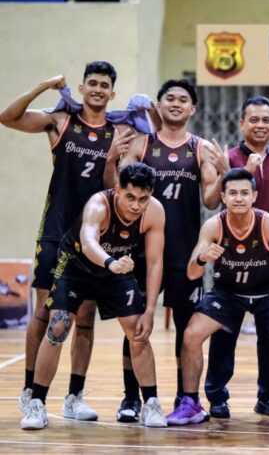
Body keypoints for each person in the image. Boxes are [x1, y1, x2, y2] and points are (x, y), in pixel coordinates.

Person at [0, 61, 129, 421]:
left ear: (112, 93)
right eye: (93, 83)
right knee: (46, 311)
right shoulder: (60, 121)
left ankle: (74, 396)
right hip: (56, 231)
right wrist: (44, 85)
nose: (98, 89)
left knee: (85, 317)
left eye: (105, 85)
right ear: (83, 88)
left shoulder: (118, 133)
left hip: (93, 237)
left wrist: (112, 161)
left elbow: (114, 189)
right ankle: (30, 392)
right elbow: (7, 117)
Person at [165, 169, 269, 426]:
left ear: (254, 196)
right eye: (233, 193)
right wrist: (203, 258)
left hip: (268, 292)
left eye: (244, 193)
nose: (239, 198)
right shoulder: (214, 226)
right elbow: (191, 272)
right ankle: (191, 403)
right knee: (191, 335)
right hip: (228, 293)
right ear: (223, 197)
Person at [107, 79, 226, 422]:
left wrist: (223, 173)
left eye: (183, 99)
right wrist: (112, 160)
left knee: (187, 331)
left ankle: (184, 398)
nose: (176, 103)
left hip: (184, 254)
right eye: (169, 98)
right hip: (140, 252)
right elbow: (117, 191)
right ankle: (132, 398)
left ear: (193, 108)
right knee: (135, 326)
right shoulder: (142, 144)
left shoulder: (200, 148)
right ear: (158, 106)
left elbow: (210, 200)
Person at [20, 163, 168, 429]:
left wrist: (149, 310)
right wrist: (111, 262)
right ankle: (36, 403)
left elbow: (155, 261)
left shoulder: (155, 211)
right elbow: (89, 242)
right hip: (77, 265)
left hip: (116, 268)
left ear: (151, 195)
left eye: (143, 199)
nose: (136, 205)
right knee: (58, 326)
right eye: (130, 197)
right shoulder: (99, 205)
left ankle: (152, 403)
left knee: (138, 331)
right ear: (118, 189)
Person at [205, 95, 269, 419]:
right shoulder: (227, 157)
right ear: (241, 123)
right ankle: (217, 397)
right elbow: (210, 201)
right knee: (223, 334)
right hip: (232, 263)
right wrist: (230, 171)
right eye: (254, 119)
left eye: (266, 120)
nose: (260, 125)